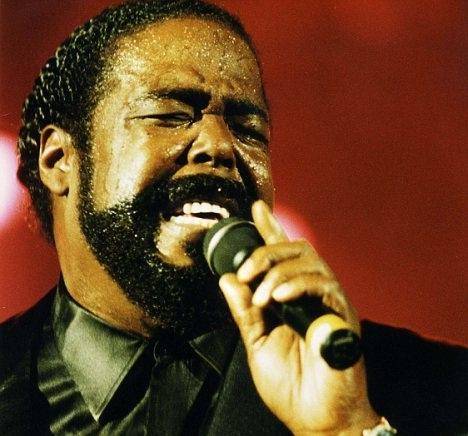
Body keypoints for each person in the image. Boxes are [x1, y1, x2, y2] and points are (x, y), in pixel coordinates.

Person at [1, 1, 466, 435]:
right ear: (59, 160)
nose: (221, 146)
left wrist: (347, 427)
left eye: (248, 129)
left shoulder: (436, 387)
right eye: (170, 114)